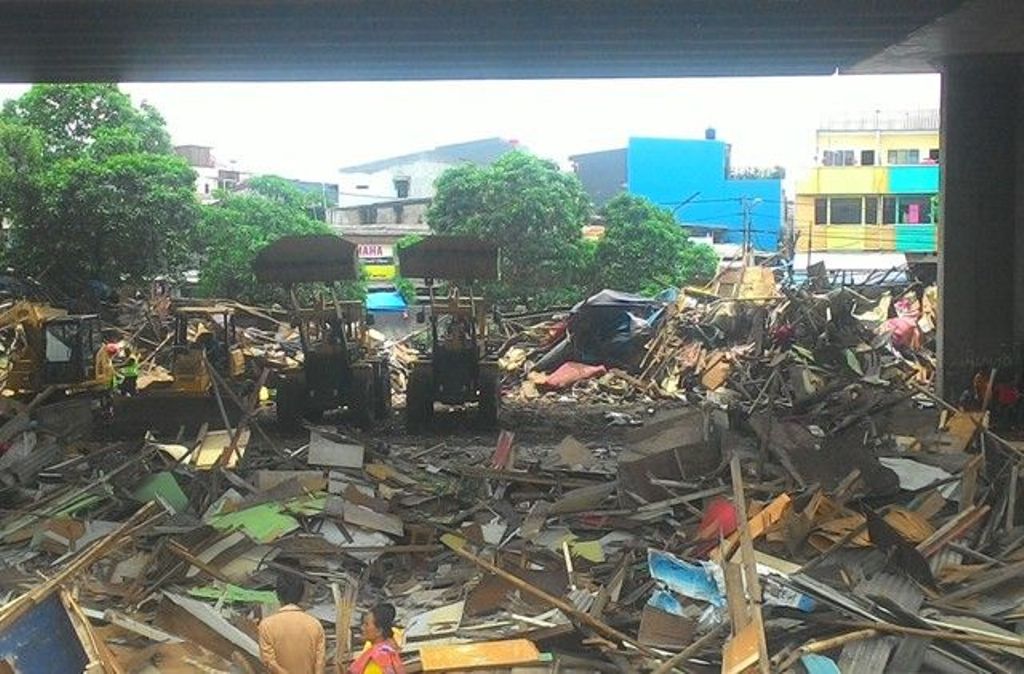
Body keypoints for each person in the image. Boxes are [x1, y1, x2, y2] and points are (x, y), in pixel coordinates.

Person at [259, 571, 326, 674]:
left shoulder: (266, 626)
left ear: (278, 595)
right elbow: (320, 663)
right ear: (301, 595)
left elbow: (269, 662)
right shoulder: (315, 624)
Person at [348, 604, 405, 674]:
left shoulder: (378, 658)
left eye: (366, 624)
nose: (362, 628)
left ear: (379, 631)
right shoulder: (388, 651)